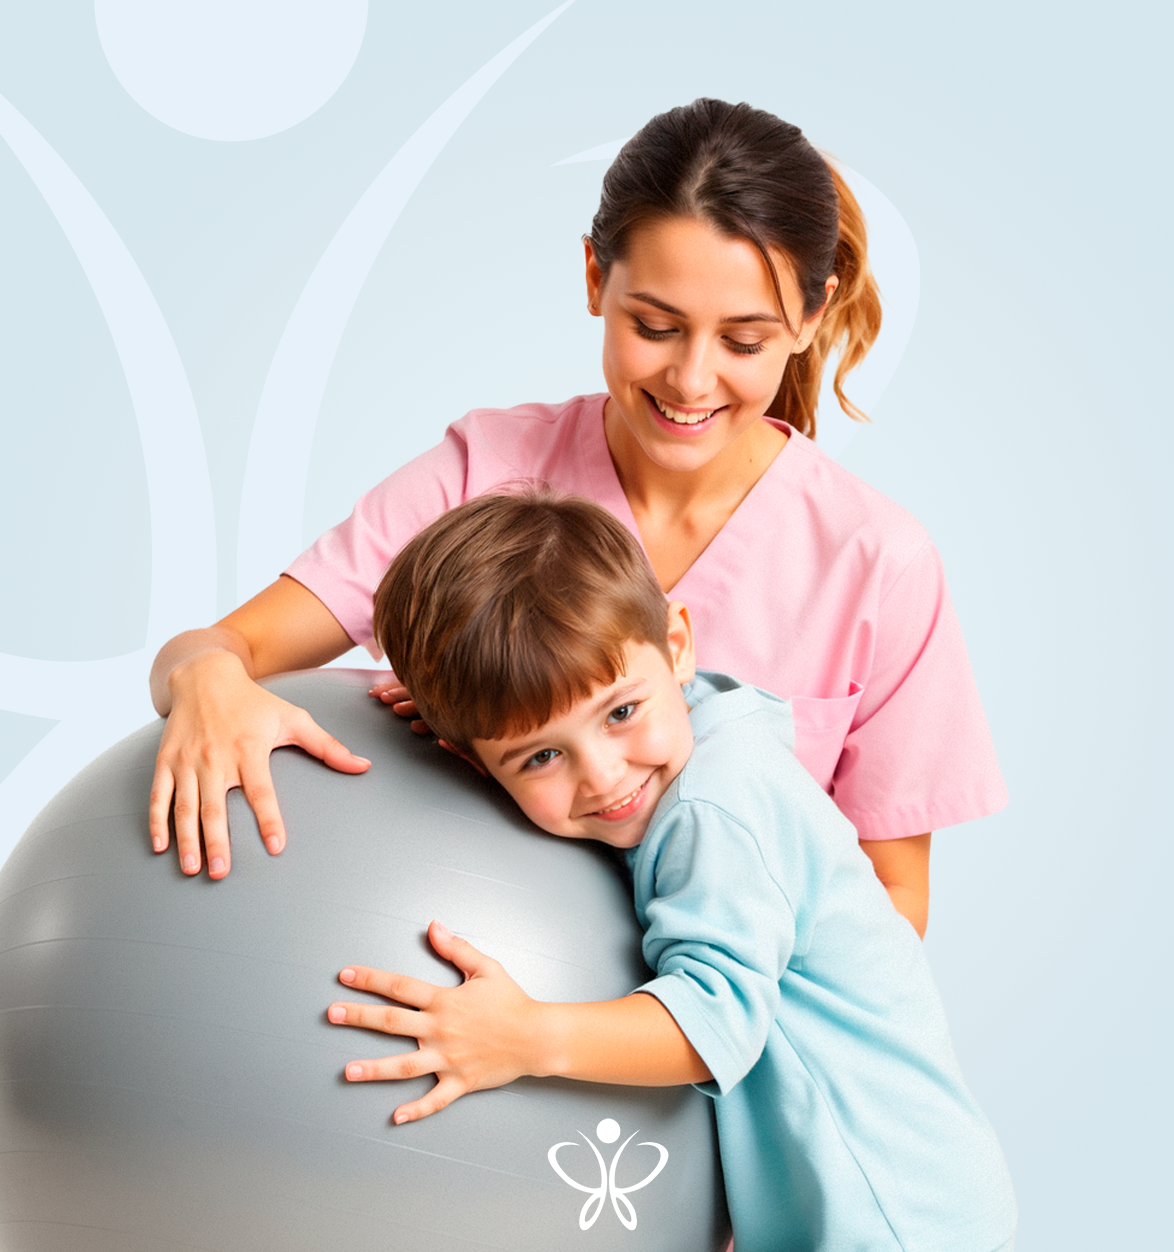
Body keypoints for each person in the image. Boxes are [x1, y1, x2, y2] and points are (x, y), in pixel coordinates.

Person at [148, 98, 1007, 936]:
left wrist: (662, 1008)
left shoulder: (876, 562)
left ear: (810, 317)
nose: (691, 379)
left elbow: (894, 904)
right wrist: (206, 679)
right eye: (655, 326)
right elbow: (219, 648)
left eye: (743, 342)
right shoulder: (482, 474)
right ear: (595, 278)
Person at [325, 491, 1017, 1252]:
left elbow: (713, 1025)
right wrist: (471, 712)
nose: (603, 776)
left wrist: (524, 1036)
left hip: (885, 1216)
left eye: (620, 714)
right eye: (541, 755)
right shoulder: (699, 724)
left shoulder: (713, 808)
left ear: (677, 643)